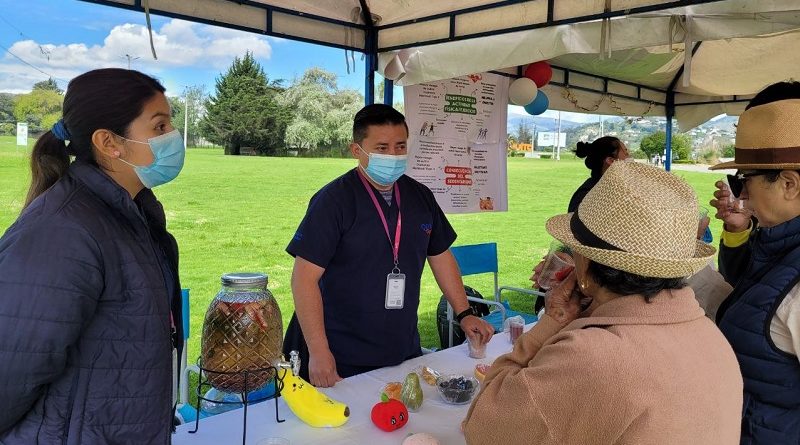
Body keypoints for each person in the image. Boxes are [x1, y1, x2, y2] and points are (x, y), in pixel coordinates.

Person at [463, 161, 742, 444]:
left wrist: (551, 323)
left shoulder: (590, 356)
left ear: (583, 267)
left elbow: (483, 428)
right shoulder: (712, 336)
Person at [0, 68, 185, 444]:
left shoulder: (133, 212)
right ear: (109, 142)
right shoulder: (62, 231)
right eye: (160, 126)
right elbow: (12, 369)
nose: (173, 138)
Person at [283, 104, 493, 387]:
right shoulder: (333, 201)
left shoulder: (420, 197)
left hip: (400, 345)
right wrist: (319, 352)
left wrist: (465, 313)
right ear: (357, 150)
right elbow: (303, 279)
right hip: (340, 349)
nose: (393, 156)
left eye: (400, 146)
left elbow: (441, 256)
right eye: (381, 148)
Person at [708, 81, 800, 443]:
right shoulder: (779, 238)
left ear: (789, 184)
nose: (740, 192)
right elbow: (750, 284)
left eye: (745, 178)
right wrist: (738, 230)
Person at [567, 136, 629, 212]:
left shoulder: (609, 187)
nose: (630, 158)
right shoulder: (589, 195)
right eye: (626, 153)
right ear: (611, 161)